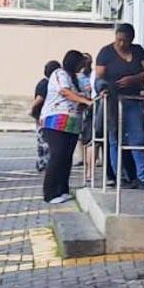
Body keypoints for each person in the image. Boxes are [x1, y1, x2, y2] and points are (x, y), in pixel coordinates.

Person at [95, 23, 144, 189]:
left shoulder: (138, 50)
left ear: (131, 39)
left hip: (133, 99)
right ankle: (119, 176)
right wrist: (104, 90)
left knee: (137, 138)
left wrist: (133, 79)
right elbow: (99, 77)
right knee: (114, 139)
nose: (121, 44)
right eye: (118, 40)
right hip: (113, 100)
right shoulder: (106, 52)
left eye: (125, 41)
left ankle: (142, 176)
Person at [39, 50, 94, 204]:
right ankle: (50, 193)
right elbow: (65, 92)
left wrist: (87, 101)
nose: (82, 67)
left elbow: (80, 97)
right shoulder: (59, 74)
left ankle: (62, 189)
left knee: (66, 157)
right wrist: (86, 101)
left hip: (73, 123)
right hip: (56, 120)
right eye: (80, 64)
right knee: (57, 155)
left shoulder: (76, 79)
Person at [31, 60, 61, 173]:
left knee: (43, 142)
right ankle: (44, 163)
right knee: (45, 143)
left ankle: (42, 163)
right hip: (44, 117)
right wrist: (32, 110)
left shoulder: (44, 82)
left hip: (42, 116)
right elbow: (39, 99)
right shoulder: (46, 84)